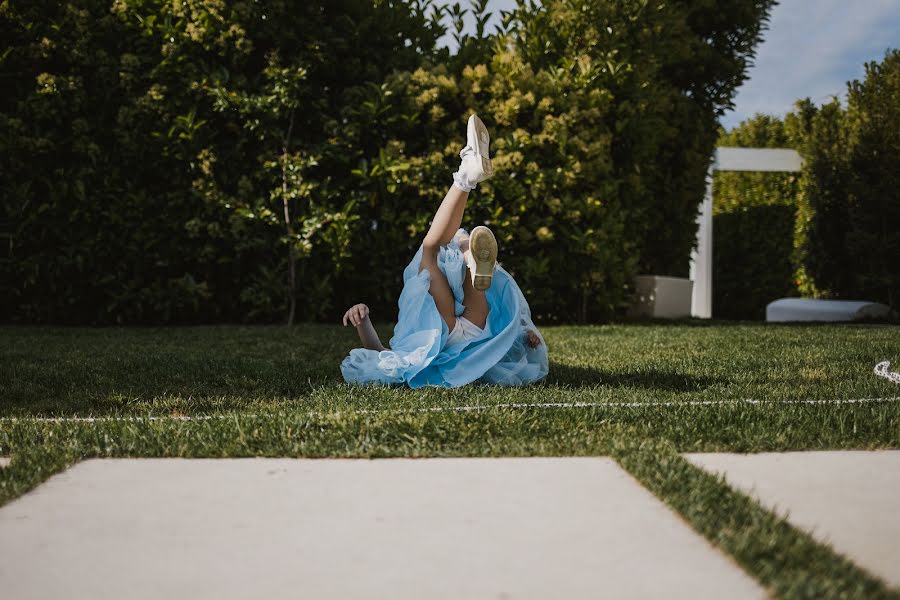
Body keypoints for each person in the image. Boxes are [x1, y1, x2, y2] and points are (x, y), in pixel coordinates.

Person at [340, 114, 549, 387]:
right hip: (477, 331)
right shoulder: (409, 346)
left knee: (436, 250)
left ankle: (468, 247)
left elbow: (380, 354)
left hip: (450, 338)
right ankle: (466, 207)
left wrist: (362, 323)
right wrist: (525, 333)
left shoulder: (408, 356)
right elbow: (381, 355)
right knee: (431, 248)